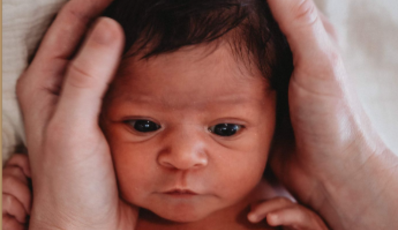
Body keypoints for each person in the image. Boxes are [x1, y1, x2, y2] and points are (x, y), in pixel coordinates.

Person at [4, 0, 398, 229]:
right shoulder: (59, 194)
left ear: (281, 118)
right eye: (144, 125)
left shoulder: (283, 214)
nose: (183, 157)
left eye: (225, 128)